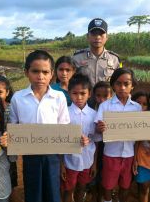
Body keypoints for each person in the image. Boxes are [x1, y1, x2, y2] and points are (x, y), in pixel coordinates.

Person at [9, 49, 88, 202]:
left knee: (53, 193)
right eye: (35, 71)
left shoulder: (58, 97)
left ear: (51, 73)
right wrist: (10, 141)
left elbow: (64, 127)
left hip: (53, 156)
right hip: (30, 156)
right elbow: (13, 126)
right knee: (33, 193)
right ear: (26, 72)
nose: (40, 76)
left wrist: (76, 139)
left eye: (45, 72)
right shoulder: (18, 98)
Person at [95, 68, 142, 202]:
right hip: (111, 153)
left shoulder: (137, 108)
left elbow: (140, 130)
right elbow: (98, 130)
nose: (122, 87)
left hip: (129, 154)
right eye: (118, 83)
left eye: (126, 84)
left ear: (132, 86)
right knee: (108, 185)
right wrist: (100, 128)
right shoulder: (105, 106)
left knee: (126, 185)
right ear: (113, 85)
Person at [61, 73, 98, 202]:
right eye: (75, 93)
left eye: (83, 93)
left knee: (82, 187)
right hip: (69, 161)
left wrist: (94, 164)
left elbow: (96, 141)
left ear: (89, 94)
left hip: (88, 160)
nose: (79, 97)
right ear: (69, 93)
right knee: (68, 189)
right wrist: (62, 165)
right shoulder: (64, 114)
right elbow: (59, 140)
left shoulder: (94, 115)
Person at [72, 18, 120, 86]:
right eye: (94, 34)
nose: (97, 37)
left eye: (101, 34)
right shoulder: (76, 58)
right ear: (88, 36)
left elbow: (119, 81)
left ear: (107, 37)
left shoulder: (115, 59)